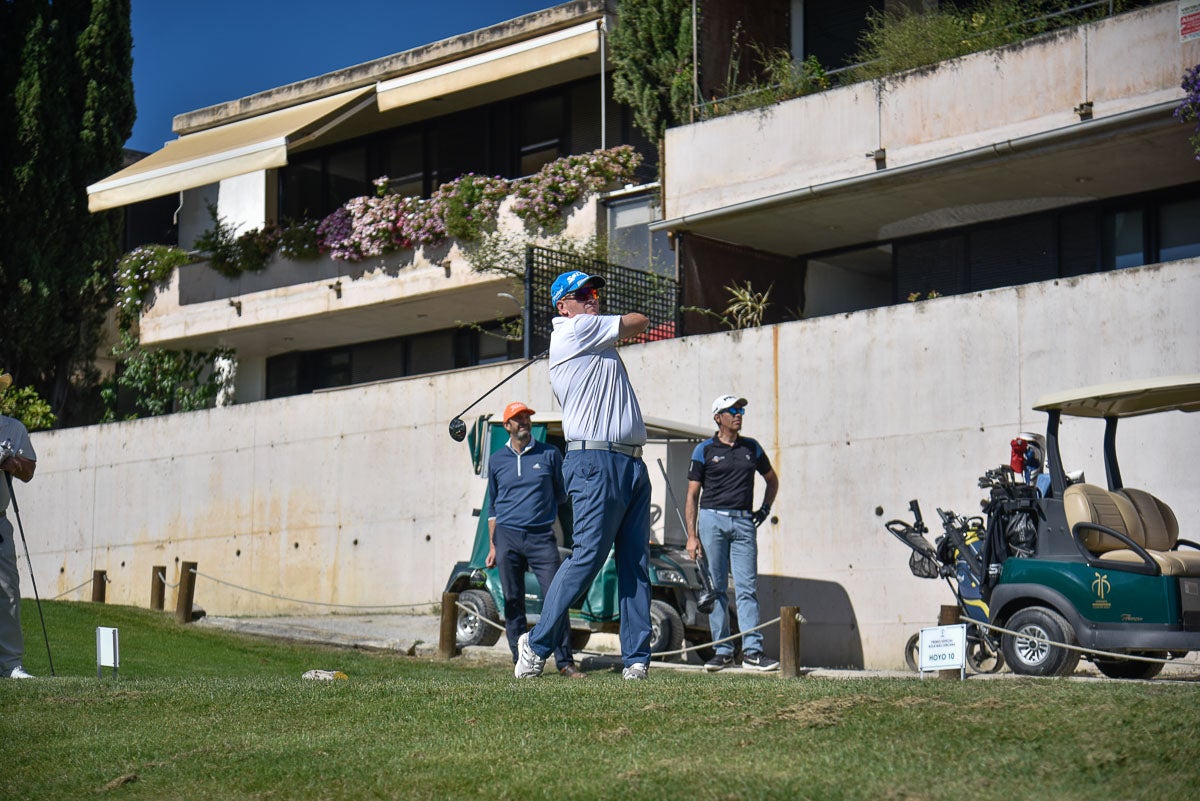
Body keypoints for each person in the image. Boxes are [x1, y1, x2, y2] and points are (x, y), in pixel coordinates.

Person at [515, 270, 653, 681]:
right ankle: (536, 644)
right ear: (563, 306)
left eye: (594, 292)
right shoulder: (574, 330)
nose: (593, 298)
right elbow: (640, 320)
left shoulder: (591, 337)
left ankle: (636, 661)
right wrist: (601, 323)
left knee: (635, 562)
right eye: (583, 294)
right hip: (593, 461)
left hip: (631, 461)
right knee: (588, 555)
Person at [485, 400, 585, 678]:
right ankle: (521, 659)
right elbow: (492, 507)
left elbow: (561, 494)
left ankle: (565, 662)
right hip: (506, 536)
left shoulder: (550, 454)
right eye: (518, 419)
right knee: (512, 599)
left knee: (557, 596)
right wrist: (493, 544)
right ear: (507, 426)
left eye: (527, 417)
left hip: (542, 537)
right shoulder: (496, 460)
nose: (524, 422)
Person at [685, 394, 780, 672]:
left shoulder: (752, 448)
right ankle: (723, 651)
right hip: (712, 520)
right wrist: (692, 536)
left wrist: (763, 510)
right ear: (718, 418)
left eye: (741, 410)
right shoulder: (703, 450)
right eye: (733, 410)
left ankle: (752, 652)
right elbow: (692, 495)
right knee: (716, 589)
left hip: (743, 523)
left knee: (747, 589)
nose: (739, 414)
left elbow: (772, 480)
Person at [0, 370, 38, 679]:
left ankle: (11, 665)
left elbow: (28, 471)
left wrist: (10, 462)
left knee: (8, 593)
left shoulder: (13, 428)